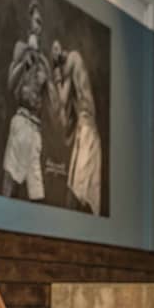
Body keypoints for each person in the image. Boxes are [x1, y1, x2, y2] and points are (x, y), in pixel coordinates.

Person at [2, 0, 57, 201]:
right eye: (35, 21)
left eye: (40, 22)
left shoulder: (43, 62)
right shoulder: (20, 49)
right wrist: (24, 64)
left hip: (36, 130)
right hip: (21, 122)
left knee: (36, 193)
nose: (38, 26)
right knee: (10, 181)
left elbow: (52, 103)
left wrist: (50, 80)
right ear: (28, 24)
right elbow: (11, 83)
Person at [51, 39, 102, 215]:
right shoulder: (71, 70)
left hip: (88, 131)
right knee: (76, 186)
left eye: (57, 47)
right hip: (85, 129)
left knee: (80, 187)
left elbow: (62, 99)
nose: (56, 51)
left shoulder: (73, 58)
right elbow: (64, 112)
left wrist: (57, 76)